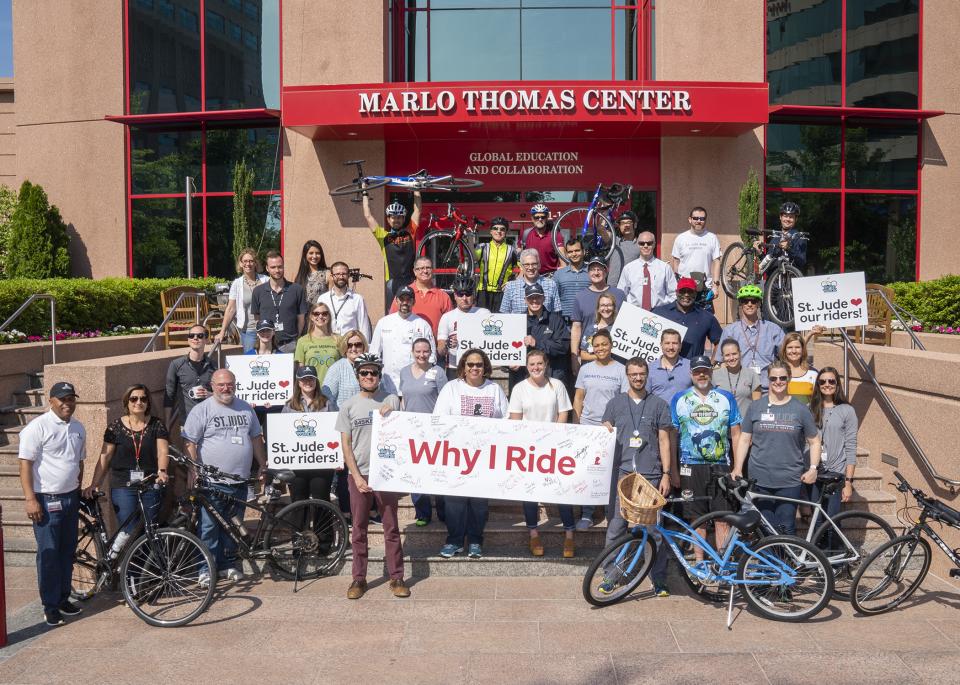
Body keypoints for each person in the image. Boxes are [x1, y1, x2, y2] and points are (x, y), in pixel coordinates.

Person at [182, 368, 267, 587]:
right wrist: (194, 471)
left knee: (232, 526)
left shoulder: (245, 408)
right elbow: (190, 442)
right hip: (212, 482)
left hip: (239, 479)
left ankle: (228, 565)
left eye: (230, 384)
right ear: (212, 386)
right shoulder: (202, 410)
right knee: (209, 527)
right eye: (221, 384)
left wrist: (262, 465)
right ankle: (205, 568)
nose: (226, 388)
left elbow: (256, 437)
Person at [336, 353, 408, 599]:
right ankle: (359, 579)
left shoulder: (390, 399)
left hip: (385, 474)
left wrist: (393, 407)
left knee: (391, 527)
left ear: (379, 376)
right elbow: (346, 445)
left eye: (373, 373)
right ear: (357, 377)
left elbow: (403, 417)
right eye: (364, 373)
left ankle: (396, 577)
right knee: (359, 529)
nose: (369, 377)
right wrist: (356, 476)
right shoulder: (348, 405)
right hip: (360, 474)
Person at [599, 358, 673, 597]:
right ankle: (611, 576)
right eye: (633, 374)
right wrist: (604, 428)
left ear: (647, 374)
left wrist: (666, 474)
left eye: (641, 374)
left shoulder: (659, 404)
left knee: (653, 530)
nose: (638, 378)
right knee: (616, 527)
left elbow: (664, 440)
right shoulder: (615, 403)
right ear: (627, 375)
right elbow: (604, 431)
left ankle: (658, 578)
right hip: (623, 475)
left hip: (650, 476)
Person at [18, 381, 86, 626]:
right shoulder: (37, 427)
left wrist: (78, 487)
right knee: (49, 555)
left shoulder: (78, 427)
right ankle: (50, 606)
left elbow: (79, 462)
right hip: (46, 500)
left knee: (67, 552)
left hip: (70, 498)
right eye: (63, 399)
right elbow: (25, 464)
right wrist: (30, 499)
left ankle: (63, 598)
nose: (67, 403)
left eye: (71, 399)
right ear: (51, 401)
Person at [731, 360, 821, 536]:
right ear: (768, 380)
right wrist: (737, 467)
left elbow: (815, 441)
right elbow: (744, 439)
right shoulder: (756, 407)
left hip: (789, 479)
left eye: (782, 378)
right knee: (765, 526)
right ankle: (771, 563)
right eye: (773, 378)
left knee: (786, 526)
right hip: (760, 478)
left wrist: (813, 468)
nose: (778, 382)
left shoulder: (800, 409)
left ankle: (785, 563)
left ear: (788, 379)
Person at [433, 349, 508, 559]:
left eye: (479, 365)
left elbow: (506, 420)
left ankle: (475, 540)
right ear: (463, 367)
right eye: (470, 365)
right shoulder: (451, 388)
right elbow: (439, 419)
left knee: (479, 502)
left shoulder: (494, 389)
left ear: (485, 368)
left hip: (484, 456)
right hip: (456, 455)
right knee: (454, 501)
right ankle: (454, 541)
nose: (475, 368)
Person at [671, 356, 742, 560]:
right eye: (696, 371)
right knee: (697, 519)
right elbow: (672, 437)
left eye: (705, 370)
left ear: (711, 372)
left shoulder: (726, 398)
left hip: (720, 466)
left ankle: (723, 563)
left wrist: (737, 467)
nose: (701, 374)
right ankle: (700, 565)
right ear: (690, 374)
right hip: (690, 467)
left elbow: (736, 434)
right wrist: (674, 471)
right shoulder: (679, 399)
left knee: (722, 519)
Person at [508, 349, 576, 558]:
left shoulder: (557, 385)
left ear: (546, 364)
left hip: (554, 446)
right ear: (526, 367)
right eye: (532, 364)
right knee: (530, 492)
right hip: (529, 449)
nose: (536, 368)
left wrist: (553, 437)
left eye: (539, 364)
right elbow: (515, 419)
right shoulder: (519, 389)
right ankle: (533, 533)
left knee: (562, 490)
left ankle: (569, 535)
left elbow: (564, 412)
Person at [83, 385, 169, 537]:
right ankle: (128, 560)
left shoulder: (157, 425)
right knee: (129, 530)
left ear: (148, 402)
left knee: (150, 529)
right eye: (133, 398)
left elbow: (162, 451)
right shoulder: (115, 427)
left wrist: (162, 471)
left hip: (150, 483)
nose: (138, 402)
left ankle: (146, 561)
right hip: (123, 485)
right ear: (126, 403)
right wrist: (95, 483)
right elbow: (105, 456)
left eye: (143, 398)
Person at [572, 329, 627, 530]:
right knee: (590, 470)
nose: (600, 348)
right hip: (588, 426)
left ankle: (609, 512)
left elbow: (624, 401)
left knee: (610, 472)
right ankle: (587, 513)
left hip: (611, 429)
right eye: (597, 345)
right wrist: (576, 424)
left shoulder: (621, 370)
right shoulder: (586, 369)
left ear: (611, 345)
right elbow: (579, 398)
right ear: (592, 347)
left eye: (604, 344)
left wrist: (614, 423)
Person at [399, 337, 448, 527]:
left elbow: (445, 400)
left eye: (425, 351)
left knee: (438, 472)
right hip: (412, 430)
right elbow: (403, 399)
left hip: (434, 430)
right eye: (418, 351)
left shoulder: (438, 372)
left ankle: (444, 512)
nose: (422, 355)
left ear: (431, 352)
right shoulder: (404, 372)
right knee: (415, 473)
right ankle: (423, 513)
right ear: (413, 352)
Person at [807, 367, 858, 521]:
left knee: (832, 521)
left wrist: (848, 482)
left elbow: (851, 446)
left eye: (831, 381)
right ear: (818, 384)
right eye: (822, 381)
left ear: (837, 384)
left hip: (836, 473)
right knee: (816, 520)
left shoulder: (847, 410)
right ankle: (817, 546)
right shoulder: (810, 409)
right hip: (814, 471)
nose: (827, 384)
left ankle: (835, 546)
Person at [282, 365, 335, 503]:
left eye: (311, 379)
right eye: (304, 379)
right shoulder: (289, 406)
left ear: (316, 381)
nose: (308, 382)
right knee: (298, 500)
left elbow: (335, 430)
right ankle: (299, 526)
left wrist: (337, 457)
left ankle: (322, 526)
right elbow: (282, 433)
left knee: (322, 499)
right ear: (298, 382)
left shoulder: (327, 404)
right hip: (297, 461)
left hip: (321, 461)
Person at [719, 284, 785, 391]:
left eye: (753, 301)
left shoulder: (773, 329)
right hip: (740, 389)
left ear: (759, 303)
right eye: (745, 301)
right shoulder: (729, 331)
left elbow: (789, 353)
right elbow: (721, 362)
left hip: (767, 389)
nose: (749, 304)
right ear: (740, 304)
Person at [569, 255, 625, 379]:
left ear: (606, 271)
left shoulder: (619, 294)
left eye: (599, 269)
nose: (596, 272)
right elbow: (576, 328)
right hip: (590, 358)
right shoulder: (580, 297)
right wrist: (574, 357)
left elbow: (627, 324)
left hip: (616, 359)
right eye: (593, 269)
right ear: (588, 273)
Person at [371, 285, 435, 392]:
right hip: (388, 382)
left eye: (408, 299)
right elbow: (374, 353)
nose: (405, 302)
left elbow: (432, 357)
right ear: (396, 301)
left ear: (413, 302)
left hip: (414, 383)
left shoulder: (422, 325)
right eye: (402, 299)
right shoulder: (384, 322)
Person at [509, 283, 570, 389]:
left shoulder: (555, 320)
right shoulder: (516, 321)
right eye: (531, 298)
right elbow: (506, 348)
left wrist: (537, 343)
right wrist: (509, 363)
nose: (534, 300)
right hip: (523, 379)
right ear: (525, 300)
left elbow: (563, 347)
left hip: (550, 378)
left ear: (544, 298)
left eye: (538, 297)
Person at [363, 190, 422, 299]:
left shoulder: (410, 232)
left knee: (412, 310)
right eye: (393, 217)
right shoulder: (383, 236)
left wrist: (416, 190)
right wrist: (365, 192)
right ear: (388, 219)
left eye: (399, 217)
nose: (396, 220)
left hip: (410, 280)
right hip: (392, 282)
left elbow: (417, 211)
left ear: (404, 219)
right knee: (392, 313)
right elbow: (368, 216)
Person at [323, 330, 398, 411]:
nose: (354, 348)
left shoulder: (374, 364)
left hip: (371, 415)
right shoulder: (337, 368)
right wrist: (336, 415)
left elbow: (384, 392)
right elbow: (326, 396)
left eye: (358, 345)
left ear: (363, 346)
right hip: (347, 417)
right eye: (349, 345)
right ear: (345, 347)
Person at [163, 323, 216, 432]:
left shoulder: (214, 365)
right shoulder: (176, 365)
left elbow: (223, 393)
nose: (195, 338)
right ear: (188, 340)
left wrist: (211, 394)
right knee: (189, 449)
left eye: (200, 336)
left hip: (210, 420)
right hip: (187, 421)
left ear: (206, 340)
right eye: (191, 336)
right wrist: (167, 424)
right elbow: (169, 395)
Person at [215, 248, 269, 353]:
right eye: (245, 261)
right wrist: (222, 332)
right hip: (249, 330)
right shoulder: (237, 284)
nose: (248, 264)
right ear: (240, 263)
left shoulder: (266, 280)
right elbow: (231, 309)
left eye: (251, 261)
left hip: (267, 329)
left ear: (255, 263)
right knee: (250, 362)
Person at [653, 277, 722, 360]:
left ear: (695, 294)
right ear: (676, 292)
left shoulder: (706, 317)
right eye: (682, 291)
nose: (686, 294)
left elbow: (721, 342)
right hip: (663, 370)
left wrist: (711, 364)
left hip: (693, 370)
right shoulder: (660, 312)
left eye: (690, 291)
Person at [437, 274, 491, 380]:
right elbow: (440, 349)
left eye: (468, 294)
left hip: (478, 366)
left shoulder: (484, 314)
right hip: (455, 367)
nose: (464, 298)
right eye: (460, 294)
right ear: (455, 296)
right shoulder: (447, 317)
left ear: (473, 295)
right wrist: (446, 344)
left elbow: (493, 339)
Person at [250, 250, 308, 348]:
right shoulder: (258, 291)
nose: (277, 270)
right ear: (267, 268)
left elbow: (301, 319)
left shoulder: (297, 289)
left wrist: (296, 339)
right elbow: (257, 319)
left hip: (290, 344)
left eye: (280, 266)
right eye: (273, 267)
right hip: (267, 344)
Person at [387, 256, 452, 336]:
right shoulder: (403, 294)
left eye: (428, 268)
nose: (425, 271)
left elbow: (450, 325)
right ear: (414, 271)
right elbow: (391, 320)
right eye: (421, 268)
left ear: (432, 270)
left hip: (434, 347)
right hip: (407, 345)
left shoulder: (443, 297)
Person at [671, 206, 721, 300]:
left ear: (705, 220)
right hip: (684, 289)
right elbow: (675, 262)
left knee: (705, 315)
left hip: (705, 288)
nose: (699, 221)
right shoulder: (680, 238)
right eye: (695, 218)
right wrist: (675, 285)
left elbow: (717, 262)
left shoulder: (712, 238)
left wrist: (715, 286)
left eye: (702, 218)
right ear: (690, 219)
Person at [617, 231, 676, 310]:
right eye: (642, 243)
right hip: (634, 313)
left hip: (660, 314)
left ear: (654, 244)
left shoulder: (665, 268)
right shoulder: (628, 269)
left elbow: (674, 293)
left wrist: (665, 308)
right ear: (638, 244)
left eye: (649, 243)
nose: (645, 246)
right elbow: (621, 294)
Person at [316, 261, 372, 341]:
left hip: (350, 347)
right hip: (328, 346)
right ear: (332, 276)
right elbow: (318, 325)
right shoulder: (323, 299)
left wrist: (365, 349)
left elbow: (364, 326)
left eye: (344, 274)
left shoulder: (357, 299)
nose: (341, 277)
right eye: (337, 274)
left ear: (348, 275)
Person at [475, 216, 517, 312]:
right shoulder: (482, 247)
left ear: (506, 232)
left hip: (503, 293)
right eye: (495, 228)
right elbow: (470, 256)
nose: (499, 231)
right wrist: (469, 237)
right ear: (490, 231)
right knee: (482, 322)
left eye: (502, 229)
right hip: (483, 292)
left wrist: (513, 283)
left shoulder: (512, 250)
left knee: (501, 322)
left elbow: (523, 269)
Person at [499, 248, 560, 314]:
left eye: (534, 264)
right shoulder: (511, 287)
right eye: (527, 264)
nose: (530, 268)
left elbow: (557, 313)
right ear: (521, 267)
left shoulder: (551, 284)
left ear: (539, 265)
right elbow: (504, 314)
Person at [294, 301, 341, 387]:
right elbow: (301, 370)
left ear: (329, 316)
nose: (320, 316)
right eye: (316, 314)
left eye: (324, 313)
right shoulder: (302, 341)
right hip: (312, 388)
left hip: (334, 387)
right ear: (311, 317)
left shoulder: (338, 339)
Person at [713, 339, 762, 417]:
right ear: (722, 357)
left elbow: (757, 405)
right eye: (727, 355)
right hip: (722, 425)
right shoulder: (715, 375)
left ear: (740, 353)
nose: (731, 358)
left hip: (745, 425)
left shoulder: (751, 375)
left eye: (734, 354)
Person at [757, 201, 808, 274]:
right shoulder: (775, 238)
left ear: (796, 219)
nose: (787, 219)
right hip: (774, 284)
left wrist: (789, 249)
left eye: (791, 217)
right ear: (780, 217)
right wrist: (760, 253)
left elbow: (801, 261)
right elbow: (768, 266)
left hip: (790, 282)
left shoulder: (799, 237)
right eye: (785, 216)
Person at [647, 329, 692, 403]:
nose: (671, 347)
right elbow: (645, 397)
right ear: (661, 345)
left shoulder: (690, 366)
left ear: (680, 346)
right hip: (659, 414)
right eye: (667, 343)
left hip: (684, 413)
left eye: (675, 343)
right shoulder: (650, 369)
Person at [553, 237, 590, 320]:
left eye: (577, 250)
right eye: (570, 252)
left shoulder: (592, 272)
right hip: (565, 323)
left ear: (583, 252)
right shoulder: (559, 274)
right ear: (566, 254)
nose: (574, 254)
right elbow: (554, 299)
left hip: (587, 322)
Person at [522, 202, 564, 274]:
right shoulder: (527, 234)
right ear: (532, 218)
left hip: (551, 276)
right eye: (536, 217)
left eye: (543, 217)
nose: (540, 219)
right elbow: (524, 258)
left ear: (547, 217)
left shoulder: (555, 235)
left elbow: (563, 260)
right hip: (533, 276)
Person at [577, 292, 617, 365]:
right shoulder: (591, 329)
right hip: (593, 371)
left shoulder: (619, 329)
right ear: (598, 308)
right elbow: (583, 354)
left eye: (609, 305)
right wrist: (601, 356)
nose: (606, 308)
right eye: (602, 305)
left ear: (614, 308)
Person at [780, 331, 818, 405]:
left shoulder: (813, 374)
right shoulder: (778, 372)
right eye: (790, 347)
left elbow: (817, 401)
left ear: (803, 350)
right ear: (784, 350)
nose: (794, 351)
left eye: (797, 347)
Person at [606, 211, 642, 288]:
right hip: (613, 287)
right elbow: (600, 229)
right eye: (622, 223)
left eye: (629, 222)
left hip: (633, 288)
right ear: (619, 226)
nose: (626, 225)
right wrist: (604, 211)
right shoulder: (614, 241)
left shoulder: (641, 244)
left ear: (635, 225)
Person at [294, 239, 330, 305]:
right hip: (303, 314)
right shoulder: (298, 275)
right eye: (311, 253)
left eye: (318, 253)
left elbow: (331, 299)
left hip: (320, 313)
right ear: (305, 255)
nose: (314, 256)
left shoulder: (327, 274)